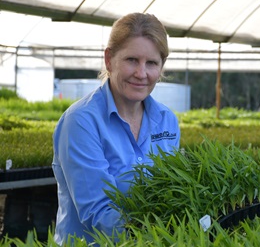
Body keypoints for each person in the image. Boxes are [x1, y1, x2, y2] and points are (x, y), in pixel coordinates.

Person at [52, 13, 180, 244]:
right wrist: (161, 237)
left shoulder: (167, 121)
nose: (141, 73)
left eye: (151, 63)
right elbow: (98, 211)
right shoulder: (81, 122)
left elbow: (171, 193)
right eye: (132, 60)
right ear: (109, 59)